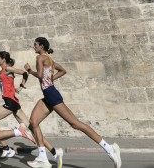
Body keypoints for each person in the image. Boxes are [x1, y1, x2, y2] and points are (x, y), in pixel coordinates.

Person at [24, 37, 122, 168]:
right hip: (48, 95)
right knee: (33, 122)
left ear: (41, 46)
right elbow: (63, 71)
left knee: (75, 124)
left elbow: (41, 75)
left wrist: (30, 71)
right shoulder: (50, 60)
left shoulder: (40, 58)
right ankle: (42, 158)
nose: (33, 46)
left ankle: (110, 148)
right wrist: (51, 79)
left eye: (35, 44)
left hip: (51, 95)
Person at [0, 51, 62, 167]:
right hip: (13, 104)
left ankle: (6, 148)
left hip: (11, 102)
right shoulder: (1, 72)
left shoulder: (8, 69)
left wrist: (21, 86)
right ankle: (55, 151)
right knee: (33, 129)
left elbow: (24, 73)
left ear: (3, 59)